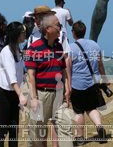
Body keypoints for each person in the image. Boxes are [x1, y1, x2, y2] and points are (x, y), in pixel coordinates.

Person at [25, 14, 73, 147]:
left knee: (66, 127)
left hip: (59, 96)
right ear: (48, 28)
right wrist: (34, 98)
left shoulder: (59, 47)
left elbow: (63, 69)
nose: (61, 28)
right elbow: (31, 76)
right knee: (37, 136)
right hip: (40, 96)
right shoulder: (33, 49)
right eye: (58, 25)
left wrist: (67, 89)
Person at [67, 21, 108, 145]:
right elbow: (100, 64)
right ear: (84, 32)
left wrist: (68, 84)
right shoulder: (95, 45)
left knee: (78, 111)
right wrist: (105, 79)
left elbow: (68, 66)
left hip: (77, 84)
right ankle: (99, 125)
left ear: (73, 33)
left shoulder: (71, 48)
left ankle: (79, 137)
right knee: (91, 108)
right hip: (93, 83)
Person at [0, 21, 27, 147]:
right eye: (23, 32)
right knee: (3, 128)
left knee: (14, 128)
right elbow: (12, 77)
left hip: (14, 93)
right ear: (16, 34)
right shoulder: (6, 51)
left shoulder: (17, 50)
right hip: (4, 94)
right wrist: (21, 95)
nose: (25, 34)